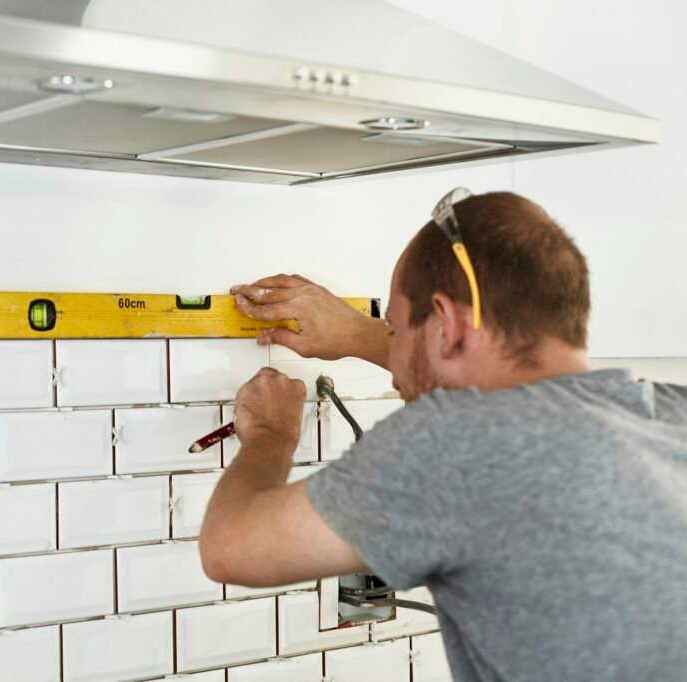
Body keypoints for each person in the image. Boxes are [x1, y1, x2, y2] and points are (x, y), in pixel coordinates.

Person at [198, 190, 687, 682]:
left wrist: (269, 432)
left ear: (447, 324)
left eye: (395, 325)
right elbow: (506, 381)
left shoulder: (462, 443)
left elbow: (230, 547)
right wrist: (357, 334)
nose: (392, 363)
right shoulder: (670, 413)